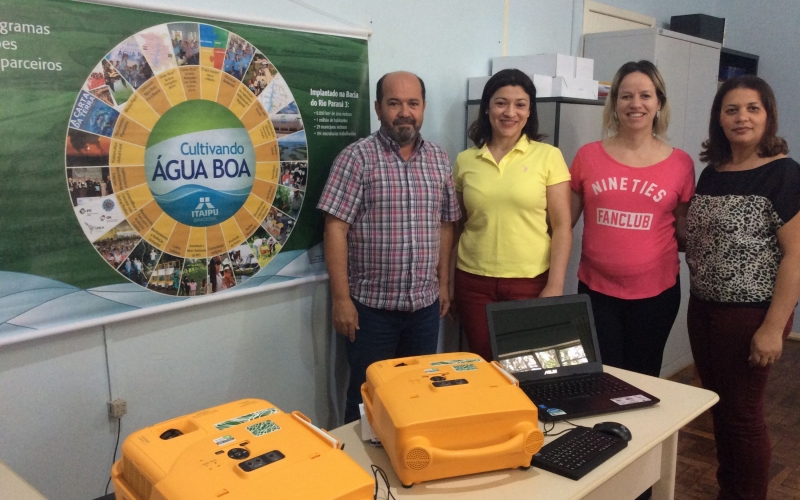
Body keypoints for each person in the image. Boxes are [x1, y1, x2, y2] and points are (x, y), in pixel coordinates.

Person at [318, 71, 460, 424]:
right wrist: (341, 299)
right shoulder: (357, 159)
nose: (404, 112)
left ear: (424, 107)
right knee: (367, 395)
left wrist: (443, 285)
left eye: (413, 103)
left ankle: (411, 458)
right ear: (379, 108)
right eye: (394, 103)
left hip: (424, 309)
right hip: (370, 311)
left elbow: (445, 224)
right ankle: (364, 469)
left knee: (418, 391)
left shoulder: (439, 160)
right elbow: (335, 228)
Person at [686, 75, 800, 500]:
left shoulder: (784, 175)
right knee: (721, 408)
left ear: (768, 115)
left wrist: (773, 327)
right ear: (719, 117)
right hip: (703, 309)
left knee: (744, 417)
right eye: (731, 109)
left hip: (750, 314)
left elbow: (797, 256)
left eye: (753, 108)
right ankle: (728, 491)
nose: (742, 117)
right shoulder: (713, 173)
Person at [570, 60, 695, 378]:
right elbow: (562, 224)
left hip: (657, 295)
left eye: (645, 95)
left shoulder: (680, 163)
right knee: (602, 378)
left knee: (643, 379)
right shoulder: (588, 156)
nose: (635, 104)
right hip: (597, 293)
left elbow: (681, 231)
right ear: (614, 104)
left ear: (659, 103)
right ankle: (603, 431)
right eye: (626, 96)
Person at [452, 68, 572, 361]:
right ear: (487, 108)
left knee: (527, 365)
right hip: (473, 282)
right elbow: (455, 227)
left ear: (530, 112)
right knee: (483, 366)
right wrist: (445, 282)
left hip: (529, 283)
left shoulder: (548, 156)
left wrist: (555, 285)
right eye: (501, 102)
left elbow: (562, 227)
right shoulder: (465, 160)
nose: (510, 112)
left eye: (520, 104)